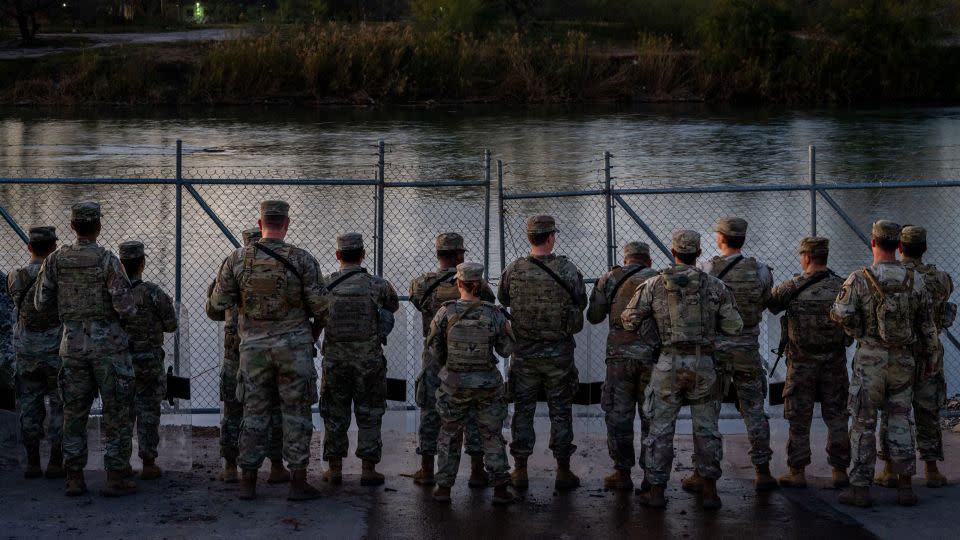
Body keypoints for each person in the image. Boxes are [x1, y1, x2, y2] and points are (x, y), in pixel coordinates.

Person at [209, 200, 329, 501]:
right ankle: (297, 481)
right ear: (286, 224)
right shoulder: (303, 260)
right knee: (296, 414)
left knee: (253, 413)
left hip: (253, 352)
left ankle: (248, 480)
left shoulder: (237, 259)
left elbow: (216, 306)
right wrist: (310, 333)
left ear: (260, 223)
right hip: (294, 350)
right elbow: (322, 307)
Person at [622, 230, 742, 509]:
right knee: (707, 429)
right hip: (703, 364)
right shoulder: (715, 286)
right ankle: (710, 489)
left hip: (668, 363)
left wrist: (653, 331)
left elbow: (629, 320)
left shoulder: (654, 285)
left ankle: (656, 491)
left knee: (660, 429)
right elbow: (734, 326)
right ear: (698, 254)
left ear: (673, 253)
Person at [830, 220, 939, 508]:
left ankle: (860, 489)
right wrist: (931, 358)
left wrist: (858, 330)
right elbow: (927, 325)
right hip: (903, 359)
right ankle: (905, 487)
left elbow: (840, 314)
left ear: (873, 243)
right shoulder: (915, 281)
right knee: (901, 419)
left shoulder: (860, 278)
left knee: (864, 423)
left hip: (870, 359)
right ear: (899, 246)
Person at [35, 202, 137, 497]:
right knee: (116, 412)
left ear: (72, 226)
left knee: (74, 412)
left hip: (72, 346)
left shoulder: (55, 260)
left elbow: (41, 303)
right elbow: (126, 307)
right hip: (108, 349)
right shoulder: (108, 261)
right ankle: (115, 476)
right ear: (99, 227)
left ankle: (75, 477)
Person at [498, 215, 587, 491]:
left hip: (524, 354)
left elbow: (503, 298)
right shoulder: (567, 269)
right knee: (561, 411)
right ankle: (562, 471)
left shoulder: (514, 269)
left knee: (523, 410)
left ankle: (520, 470)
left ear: (530, 238)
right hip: (559, 355)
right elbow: (581, 300)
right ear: (551, 237)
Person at [426, 262, 518, 505]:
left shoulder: (445, 313)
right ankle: (500, 488)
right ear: (481, 285)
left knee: (449, 435)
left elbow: (435, 352)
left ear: (458, 284)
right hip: (486, 384)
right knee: (491, 435)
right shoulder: (493, 313)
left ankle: (444, 488)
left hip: (454, 384)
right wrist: (508, 330)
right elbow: (507, 350)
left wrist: (453, 365)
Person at [408, 233, 494, 487]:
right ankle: (477, 471)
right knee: (473, 411)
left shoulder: (421, 284)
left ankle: (426, 469)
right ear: (459, 256)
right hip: (469, 355)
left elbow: (416, 301)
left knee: (430, 409)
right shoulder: (479, 285)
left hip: (436, 356)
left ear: (438, 254)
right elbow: (487, 303)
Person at [698, 217, 777, 491]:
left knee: (708, 411)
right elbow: (766, 301)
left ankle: (705, 476)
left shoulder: (706, 269)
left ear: (720, 238)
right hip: (747, 349)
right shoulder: (761, 270)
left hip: (715, 349)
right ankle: (763, 470)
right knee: (754, 409)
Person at [206, 228, 289, 485]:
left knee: (233, 411)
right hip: (270, 352)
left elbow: (214, 309)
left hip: (236, 355)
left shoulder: (231, 270)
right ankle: (276, 466)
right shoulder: (282, 270)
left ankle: (231, 467)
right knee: (274, 410)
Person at [767, 237, 850, 489]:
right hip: (834, 363)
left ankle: (797, 471)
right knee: (837, 416)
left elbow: (770, 304)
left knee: (798, 418)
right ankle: (839, 471)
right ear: (825, 257)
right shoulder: (842, 286)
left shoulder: (792, 286)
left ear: (805, 257)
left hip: (801, 364)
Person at [875, 225, 954, 489]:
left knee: (894, 410)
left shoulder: (896, 276)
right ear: (925, 248)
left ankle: (889, 468)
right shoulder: (940, 278)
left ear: (899, 248)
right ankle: (931, 469)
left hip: (899, 352)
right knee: (928, 410)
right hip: (930, 351)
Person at [320, 232, 399, 487]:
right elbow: (393, 306)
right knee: (369, 412)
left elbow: (316, 311)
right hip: (369, 361)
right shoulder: (378, 285)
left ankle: (334, 470)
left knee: (335, 413)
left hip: (335, 361)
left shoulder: (326, 285)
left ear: (338, 255)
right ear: (363, 254)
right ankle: (367, 469)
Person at [586, 241, 658, 492]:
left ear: (626, 259)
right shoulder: (659, 279)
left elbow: (594, 316)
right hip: (652, 358)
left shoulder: (610, 277)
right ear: (648, 261)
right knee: (652, 417)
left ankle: (622, 472)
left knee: (618, 416)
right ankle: (652, 476)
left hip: (619, 358)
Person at [117, 241, 178, 480]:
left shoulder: (113, 294)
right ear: (142, 263)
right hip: (149, 361)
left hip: (120, 361)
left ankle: (120, 462)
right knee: (149, 410)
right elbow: (171, 324)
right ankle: (149, 461)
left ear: (121, 265)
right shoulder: (154, 293)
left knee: (122, 411)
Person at [7, 226, 63, 479]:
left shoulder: (15, 277)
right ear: (54, 248)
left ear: (29, 247)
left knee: (29, 406)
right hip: (56, 351)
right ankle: (55, 460)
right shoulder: (60, 278)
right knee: (60, 404)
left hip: (27, 351)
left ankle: (32, 461)